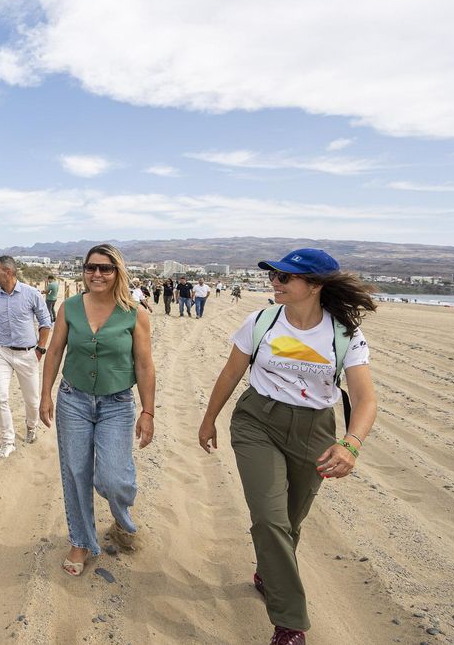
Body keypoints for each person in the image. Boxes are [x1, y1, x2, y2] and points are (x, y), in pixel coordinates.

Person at [198, 249, 376, 645]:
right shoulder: (260, 321)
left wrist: (351, 444)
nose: (275, 282)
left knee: (290, 521)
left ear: (314, 286)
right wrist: (209, 419)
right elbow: (231, 371)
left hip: (314, 430)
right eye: (275, 276)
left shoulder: (345, 334)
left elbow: (365, 399)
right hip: (257, 422)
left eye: (285, 278)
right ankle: (290, 623)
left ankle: (269, 572)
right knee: (269, 516)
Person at [39, 243, 155, 577]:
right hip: (73, 400)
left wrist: (148, 412)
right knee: (75, 472)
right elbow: (56, 351)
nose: (97, 274)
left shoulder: (135, 313)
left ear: (117, 272)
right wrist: (46, 394)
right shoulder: (70, 307)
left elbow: (145, 366)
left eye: (105, 268)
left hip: (116, 404)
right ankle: (81, 541)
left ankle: (121, 518)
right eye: (91, 267)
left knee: (113, 478)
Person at [0, 256, 53, 458]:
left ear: (9, 272)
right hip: (1, 352)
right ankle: (8, 440)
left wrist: (40, 349)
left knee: (32, 400)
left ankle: (31, 427)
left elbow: (45, 322)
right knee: (0, 397)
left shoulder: (31, 294)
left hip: (28, 354)